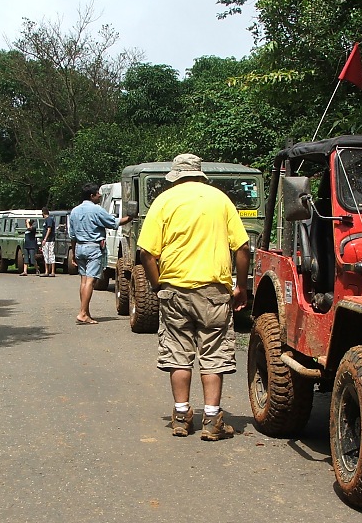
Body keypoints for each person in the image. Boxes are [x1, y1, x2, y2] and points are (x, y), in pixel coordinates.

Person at [138, 154, 250, 441]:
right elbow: (242, 248)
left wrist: (157, 286)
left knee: (178, 353)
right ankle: (212, 421)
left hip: (174, 290)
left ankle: (180, 417)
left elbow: (146, 253)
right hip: (214, 292)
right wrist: (241, 286)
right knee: (213, 354)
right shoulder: (220, 199)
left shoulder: (163, 201)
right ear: (200, 175)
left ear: (176, 175)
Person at [69, 182, 133, 324]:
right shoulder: (96, 209)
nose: (99, 195)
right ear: (92, 196)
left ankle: (85, 310)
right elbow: (113, 222)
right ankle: (83, 313)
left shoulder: (74, 211)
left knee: (84, 280)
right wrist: (130, 218)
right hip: (93, 248)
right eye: (97, 193)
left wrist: (73, 253)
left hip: (79, 247)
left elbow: (72, 236)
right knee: (91, 281)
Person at [40, 207, 56, 277]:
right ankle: (46, 271)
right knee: (46, 255)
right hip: (46, 241)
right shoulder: (46, 220)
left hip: (50, 240)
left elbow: (49, 229)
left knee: (51, 255)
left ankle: (52, 271)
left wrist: (45, 239)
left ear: (43, 213)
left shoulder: (49, 219)